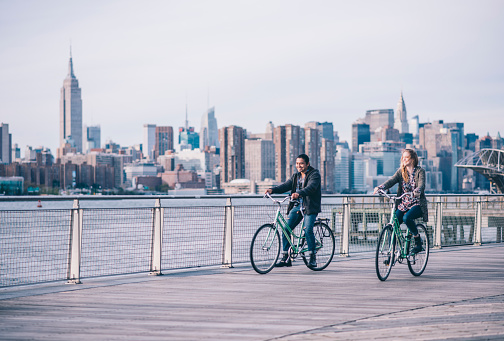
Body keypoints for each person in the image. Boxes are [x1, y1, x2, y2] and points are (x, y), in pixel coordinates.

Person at [265, 154, 321, 267]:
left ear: (307, 164)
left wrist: (299, 193)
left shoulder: (314, 175)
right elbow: (285, 186)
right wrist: (272, 190)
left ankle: (312, 257)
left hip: (309, 207)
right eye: (297, 163)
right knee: (286, 229)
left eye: (301, 163)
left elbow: (311, 188)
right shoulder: (296, 176)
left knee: (307, 229)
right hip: (296, 206)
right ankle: (286, 258)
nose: (298, 166)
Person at [373, 148, 428, 254]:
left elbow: (422, 184)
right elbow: (391, 180)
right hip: (404, 203)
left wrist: (418, 190)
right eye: (403, 157)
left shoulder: (420, 171)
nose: (404, 159)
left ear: (412, 159)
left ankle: (417, 240)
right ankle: (392, 252)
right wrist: (381, 187)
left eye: (406, 157)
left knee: (406, 217)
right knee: (394, 223)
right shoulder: (401, 172)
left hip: (416, 203)